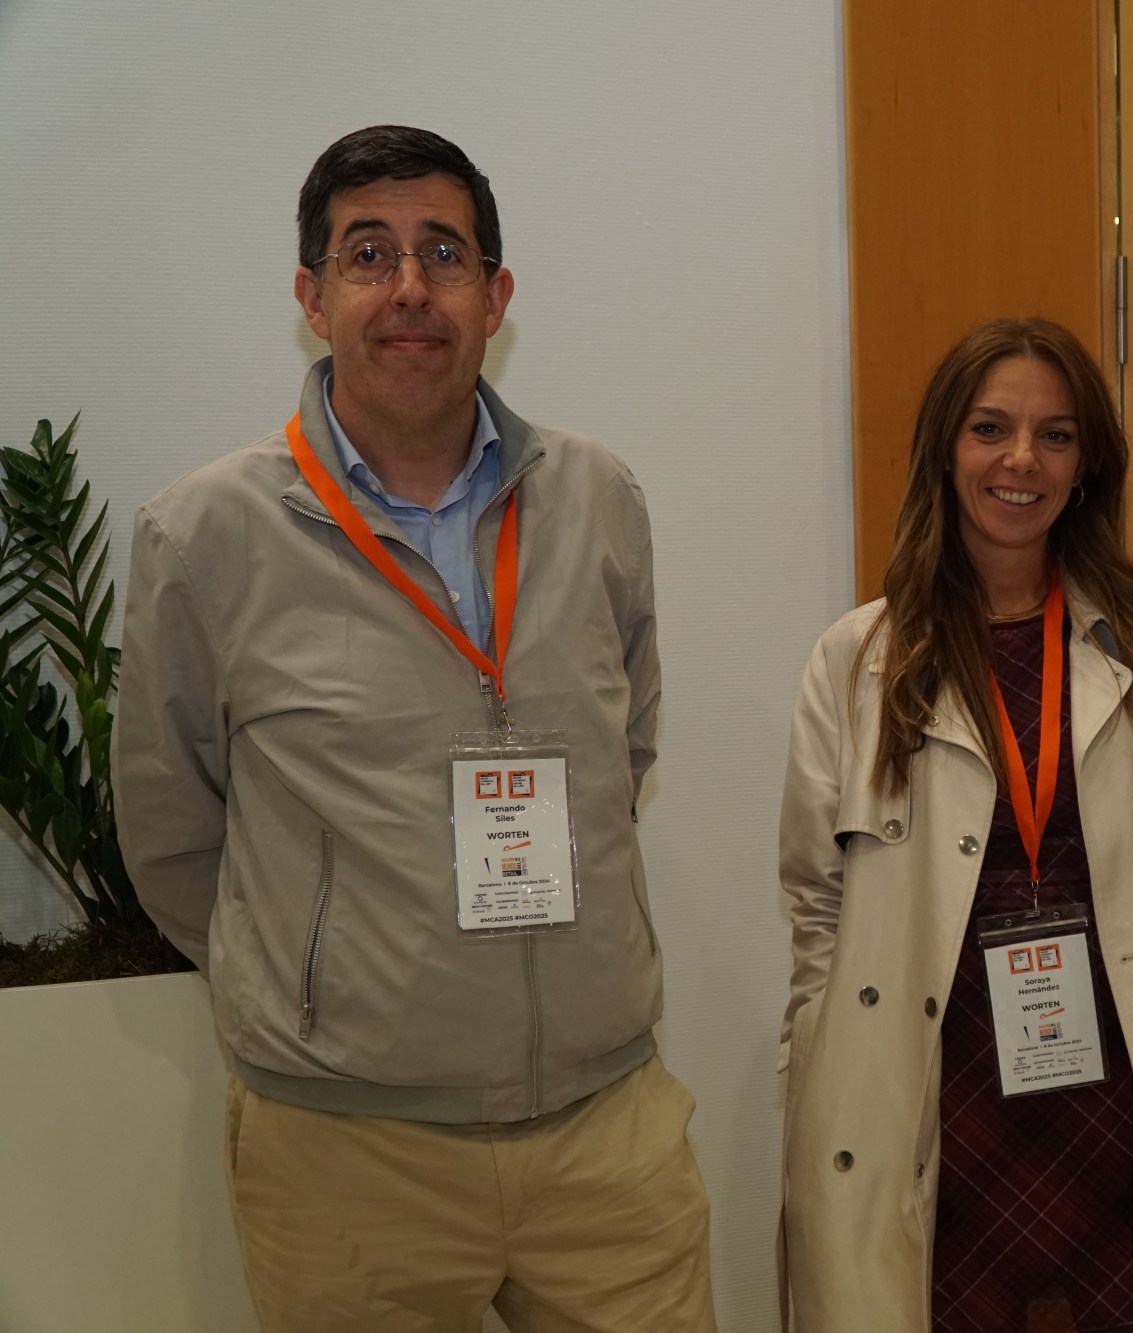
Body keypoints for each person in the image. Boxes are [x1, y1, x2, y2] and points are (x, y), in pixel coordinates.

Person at [110, 125, 715, 1331]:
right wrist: (315, 989)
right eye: (367, 254)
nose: (408, 288)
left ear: (495, 295)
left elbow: (622, 748)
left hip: (606, 1137)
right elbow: (172, 829)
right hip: (347, 1155)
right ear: (312, 297)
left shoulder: (596, 497)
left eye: (443, 253)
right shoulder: (206, 534)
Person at [777, 317, 1133, 1333]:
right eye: (990, 428)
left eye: (1055, 435)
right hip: (941, 1093)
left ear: (1085, 464)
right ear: (944, 448)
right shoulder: (855, 660)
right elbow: (816, 903)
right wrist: (828, 1080)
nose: (1021, 459)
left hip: (1129, 1091)